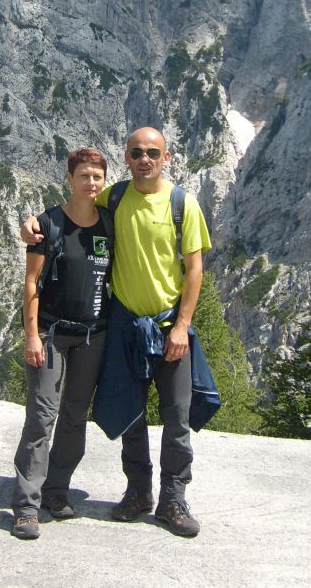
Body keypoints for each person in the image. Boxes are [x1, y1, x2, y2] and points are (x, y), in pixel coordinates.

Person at [22, 127, 214, 537]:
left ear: (166, 157)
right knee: (132, 415)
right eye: (136, 152)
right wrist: (31, 224)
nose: (144, 158)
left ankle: (174, 500)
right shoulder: (116, 196)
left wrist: (182, 326)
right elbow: (76, 208)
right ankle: (139, 492)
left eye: (152, 152)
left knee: (177, 416)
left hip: (168, 327)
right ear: (126, 158)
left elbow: (195, 269)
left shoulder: (184, 204)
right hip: (124, 324)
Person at [11, 147, 112, 541]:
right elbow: (32, 282)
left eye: (97, 177)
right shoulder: (48, 225)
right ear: (69, 178)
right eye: (83, 175)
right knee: (42, 415)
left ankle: (57, 490)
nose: (90, 183)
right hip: (51, 334)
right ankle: (25, 506)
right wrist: (31, 335)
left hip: (93, 334)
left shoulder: (109, 224)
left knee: (75, 415)